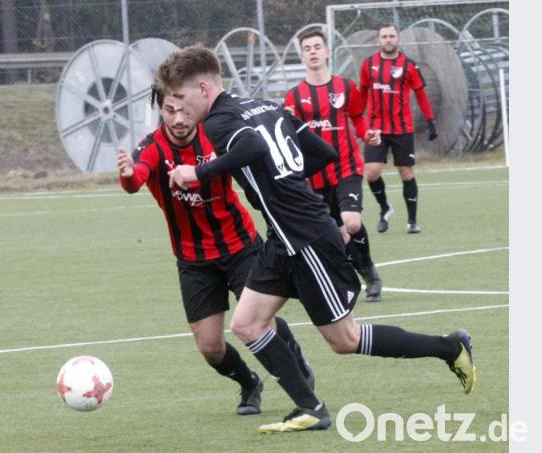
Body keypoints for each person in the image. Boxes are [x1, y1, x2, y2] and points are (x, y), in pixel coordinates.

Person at [162, 46, 476, 433]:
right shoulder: (264, 105)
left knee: (345, 339)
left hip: (305, 237)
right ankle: (309, 407)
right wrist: (284, 180)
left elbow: (254, 147)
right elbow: (323, 152)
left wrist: (198, 172)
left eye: (182, 96)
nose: (180, 109)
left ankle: (450, 348)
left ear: (203, 88)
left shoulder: (217, 122)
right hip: (283, 239)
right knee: (246, 323)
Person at [117, 86, 317, 416]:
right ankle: (249, 382)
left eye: (184, 110)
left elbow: (251, 151)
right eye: (170, 111)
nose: (179, 119)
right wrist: (127, 176)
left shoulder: (215, 135)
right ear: (160, 111)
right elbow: (136, 178)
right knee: (210, 347)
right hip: (194, 260)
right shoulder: (151, 147)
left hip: (240, 246)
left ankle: (296, 367)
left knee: (259, 322)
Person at [283, 30, 384, 302]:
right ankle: (357, 276)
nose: (313, 52)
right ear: (302, 56)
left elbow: (357, 117)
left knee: (352, 222)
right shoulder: (294, 96)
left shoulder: (345, 87)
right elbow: (289, 136)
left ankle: (371, 273)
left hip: (346, 167)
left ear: (327, 52)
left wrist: (367, 135)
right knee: (337, 234)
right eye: (308, 48)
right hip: (315, 176)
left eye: (317, 47)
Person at [359, 23, 438, 234]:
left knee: (406, 172)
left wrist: (431, 120)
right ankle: (385, 208)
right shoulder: (368, 65)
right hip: (376, 129)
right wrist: (358, 120)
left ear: (398, 39)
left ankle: (412, 221)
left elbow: (421, 93)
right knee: (372, 172)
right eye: (384, 36)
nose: (388, 40)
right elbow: (362, 93)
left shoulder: (409, 65)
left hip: (402, 129)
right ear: (379, 40)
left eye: (391, 36)